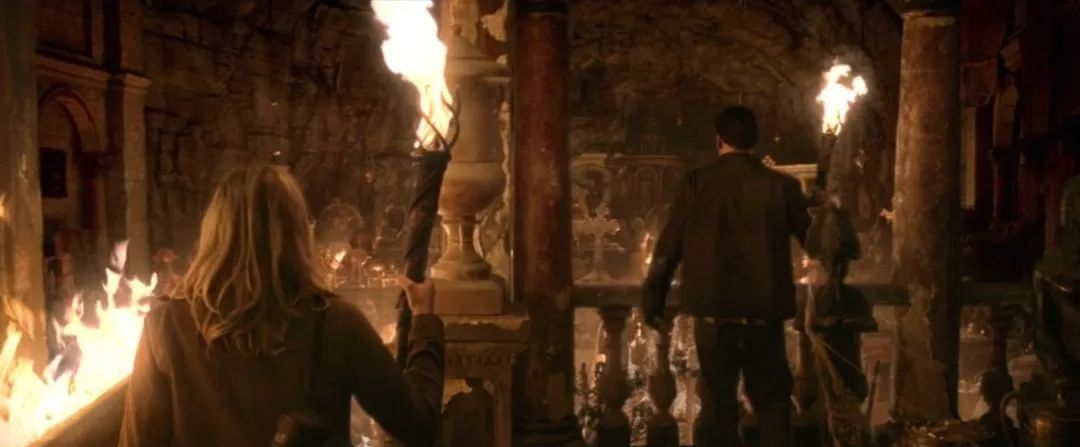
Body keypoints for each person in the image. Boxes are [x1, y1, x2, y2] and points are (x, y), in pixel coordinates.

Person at [119, 165, 444, 446]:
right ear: (297, 232)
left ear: (213, 233)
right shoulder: (336, 323)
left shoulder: (165, 326)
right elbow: (418, 424)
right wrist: (424, 320)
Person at [641, 106, 811, 447]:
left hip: (714, 314)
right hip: (764, 316)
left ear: (719, 141)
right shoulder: (782, 186)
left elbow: (668, 247)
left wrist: (653, 297)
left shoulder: (697, 183)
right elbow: (816, 242)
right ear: (754, 140)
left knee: (718, 408)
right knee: (773, 404)